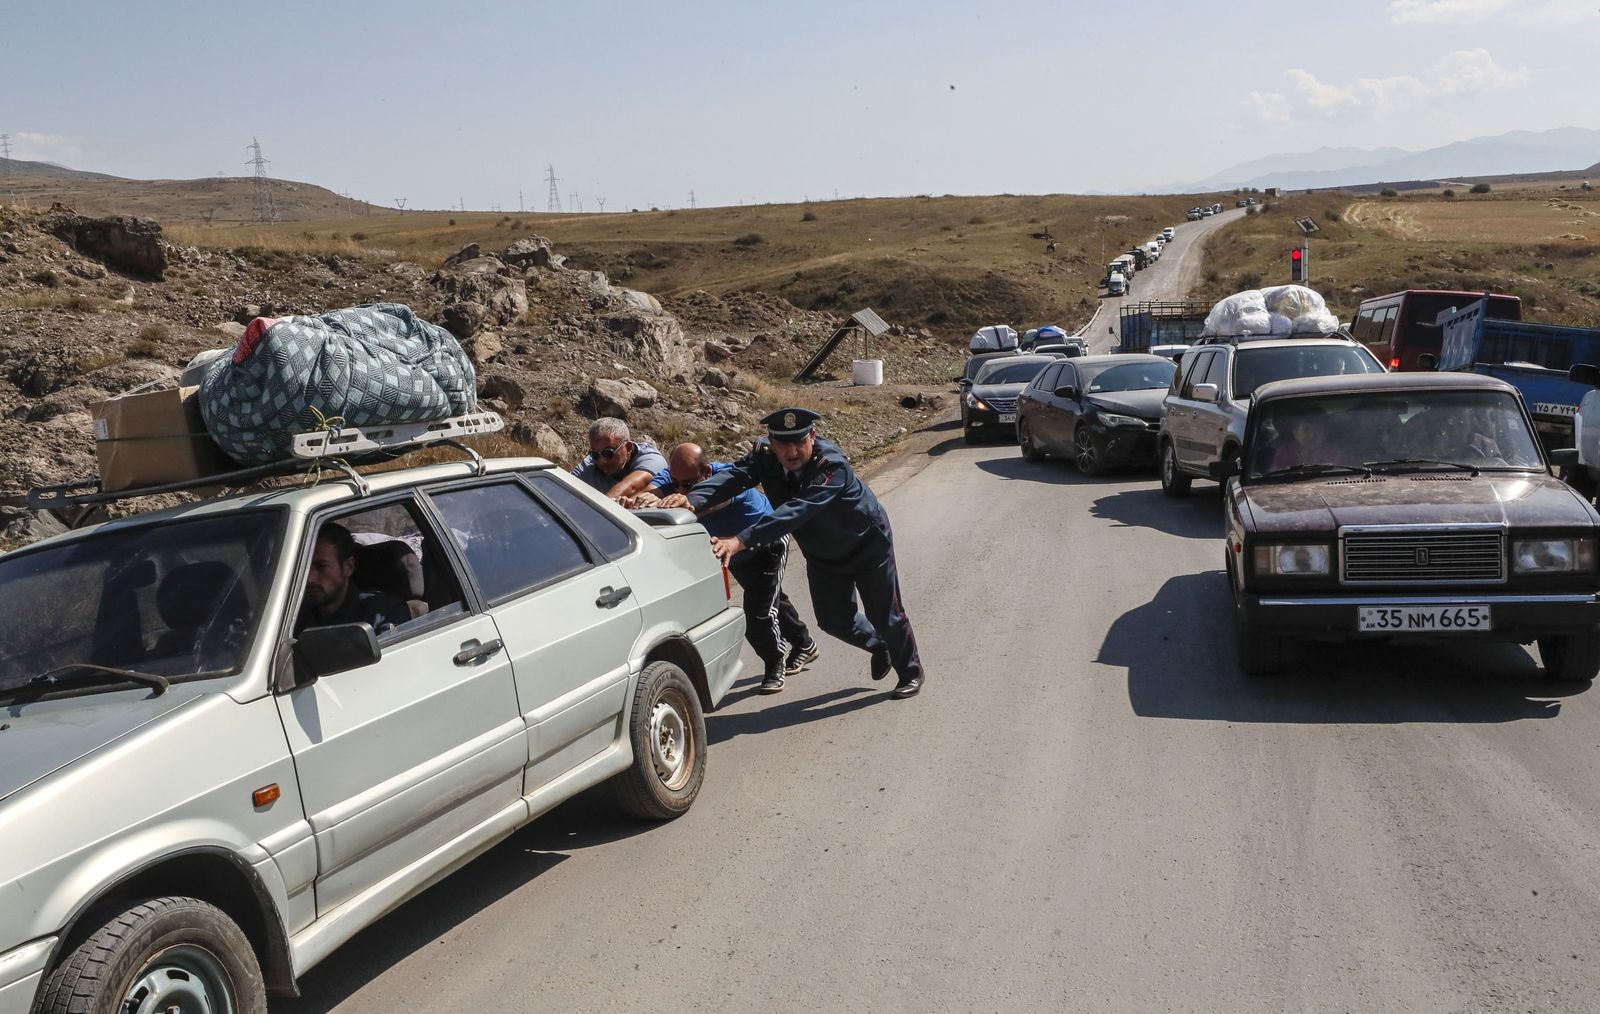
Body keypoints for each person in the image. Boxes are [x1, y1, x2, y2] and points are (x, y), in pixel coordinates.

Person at [686, 408, 925, 699]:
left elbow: (795, 511)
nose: (793, 451)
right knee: (833, 621)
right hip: (822, 553)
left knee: (886, 615)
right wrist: (689, 501)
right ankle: (879, 644)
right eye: (784, 443)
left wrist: (741, 540)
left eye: (800, 441)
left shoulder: (832, 465)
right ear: (772, 442)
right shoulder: (765, 457)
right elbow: (734, 478)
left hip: (866, 546)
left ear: (813, 436)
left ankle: (911, 672)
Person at [636, 442, 818, 694]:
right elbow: (653, 488)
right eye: (675, 482)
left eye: (687, 484)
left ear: (706, 472)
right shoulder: (679, 475)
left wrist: (683, 500)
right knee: (769, 598)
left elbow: (708, 504)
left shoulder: (728, 478)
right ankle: (804, 644)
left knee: (758, 614)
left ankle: (774, 662)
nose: (678, 488)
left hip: (766, 543)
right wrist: (646, 496)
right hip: (731, 551)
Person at [296, 522, 411, 636]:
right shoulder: (293, 616)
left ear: (348, 567)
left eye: (321, 566)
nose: (309, 579)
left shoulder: (383, 614)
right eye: (303, 567)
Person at [570, 418, 668, 502]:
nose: (602, 461)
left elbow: (632, 486)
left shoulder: (651, 458)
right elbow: (568, 484)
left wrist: (602, 508)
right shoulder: (590, 463)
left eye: (608, 453)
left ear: (628, 447)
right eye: (595, 454)